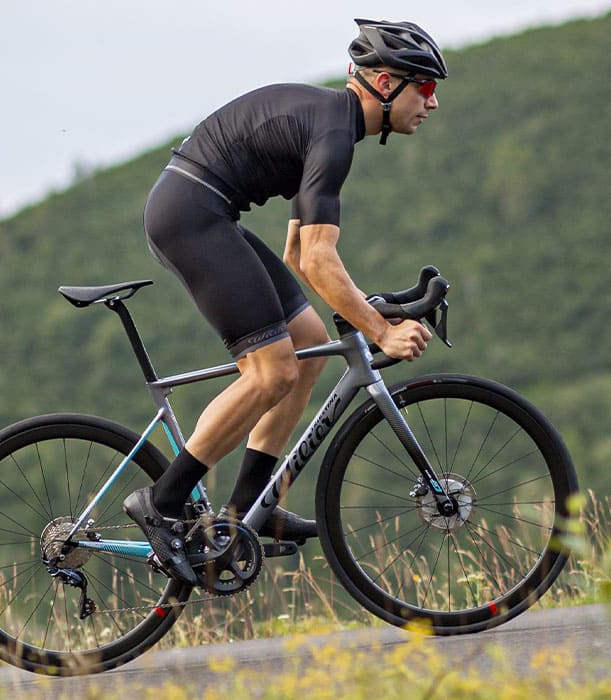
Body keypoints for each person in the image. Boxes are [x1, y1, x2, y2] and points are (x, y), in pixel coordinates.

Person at [125, 18, 448, 583]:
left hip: (202, 211)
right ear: (384, 82)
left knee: (309, 345)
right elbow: (318, 260)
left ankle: (248, 510)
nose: (433, 102)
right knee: (271, 371)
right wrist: (381, 332)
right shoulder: (334, 134)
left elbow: (299, 254)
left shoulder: (333, 125)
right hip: (192, 216)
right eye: (424, 87)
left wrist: (368, 311)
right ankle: (162, 500)